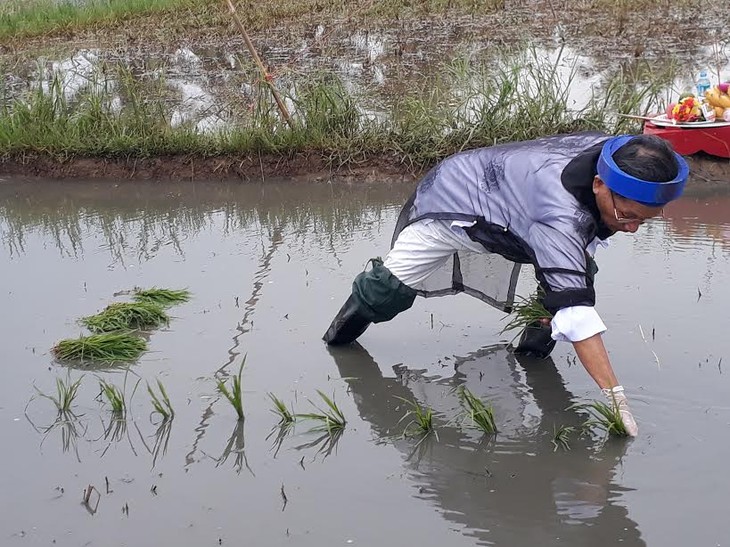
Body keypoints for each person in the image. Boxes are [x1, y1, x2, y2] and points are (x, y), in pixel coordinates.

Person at [323, 132, 689, 437]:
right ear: (598, 184)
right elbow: (578, 316)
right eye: (627, 216)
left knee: (570, 284)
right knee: (387, 289)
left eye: (646, 220)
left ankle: (531, 357)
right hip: (453, 198)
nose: (632, 228)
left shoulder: (618, 156)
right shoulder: (558, 215)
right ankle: (337, 342)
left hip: (516, 194)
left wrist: (620, 217)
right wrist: (616, 399)